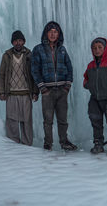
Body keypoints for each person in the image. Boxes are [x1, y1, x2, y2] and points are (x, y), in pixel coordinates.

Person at [31, 21, 77, 151]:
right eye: (50, 31)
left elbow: (69, 67)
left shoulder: (62, 49)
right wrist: (42, 88)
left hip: (62, 90)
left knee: (62, 119)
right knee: (48, 120)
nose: (53, 34)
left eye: (55, 32)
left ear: (59, 34)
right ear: (46, 33)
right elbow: (35, 70)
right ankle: (48, 143)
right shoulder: (38, 49)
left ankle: (64, 141)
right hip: (47, 91)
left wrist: (67, 85)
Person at [0, 30, 39, 146]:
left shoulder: (30, 55)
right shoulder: (6, 56)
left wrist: (35, 92)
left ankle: (27, 144)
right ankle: (13, 146)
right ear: (12, 42)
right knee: (12, 121)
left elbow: (34, 74)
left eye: (20, 40)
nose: (18, 43)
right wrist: (1, 92)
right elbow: (2, 74)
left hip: (26, 93)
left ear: (24, 41)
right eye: (15, 41)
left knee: (26, 121)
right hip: (11, 93)